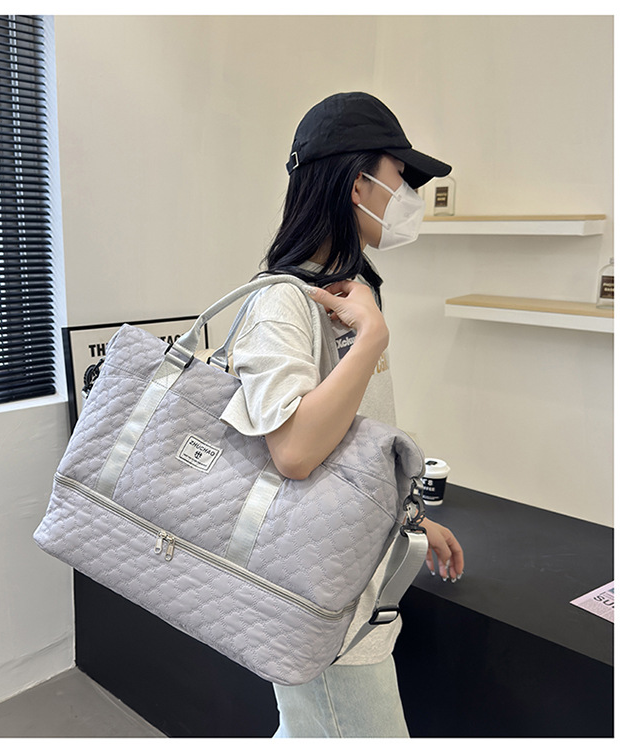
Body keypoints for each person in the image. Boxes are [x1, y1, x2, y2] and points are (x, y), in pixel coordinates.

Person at [220, 92, 465, 737]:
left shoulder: (348, 293)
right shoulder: (284, 303)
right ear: (359, 184)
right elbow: (296, 452)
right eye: (399, 177)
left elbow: (351, 447)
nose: (405, 196)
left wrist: (405, 520)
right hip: (321, 601)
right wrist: (372, 339)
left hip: (347, 588)